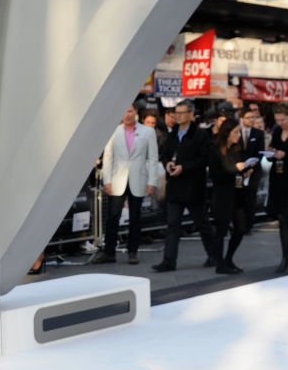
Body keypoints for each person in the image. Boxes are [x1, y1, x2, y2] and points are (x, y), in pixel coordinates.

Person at [92, 103, 158, 265]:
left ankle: (132, 252)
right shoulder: (114, 132)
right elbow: (108, 158)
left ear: (135, 112)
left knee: (135, 217)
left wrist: (152, 181)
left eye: (129, 111)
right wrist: (106, 180)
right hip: (117, 180)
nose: (127, 115)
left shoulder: (147, 132)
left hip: (139, 178)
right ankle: (109, 252)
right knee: (113, 217)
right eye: (123, 112)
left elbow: (153, 158)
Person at [153, 98, 215, 271]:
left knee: (201, 222)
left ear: (190, 114)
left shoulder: (200, 134)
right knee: (172, 224)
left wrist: (184, 167)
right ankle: (168, 261)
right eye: (176, 113)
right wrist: (167, 164)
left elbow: (204, 159)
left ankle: (214, 255)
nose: (178, 116)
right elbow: (165, 154)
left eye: (181, 113)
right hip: (174, 185)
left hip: (193, 186)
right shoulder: (172, 134)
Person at [209, 118, 253, 275]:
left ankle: (228, 259)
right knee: (221, 230)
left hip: (237, 194)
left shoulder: (236, 149)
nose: (238, 135)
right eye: (235, 132)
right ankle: (220, 263)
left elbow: (237, 168)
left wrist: (245, 170)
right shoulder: (215, 149)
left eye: (239, 132)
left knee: (240, 228)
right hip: (222, 195)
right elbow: (216, 174)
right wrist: (236, 168)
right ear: (227, 133)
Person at [267, 101, 288, 274]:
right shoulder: (278, 131)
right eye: (277, 120)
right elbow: (274, 149)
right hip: (278, 180)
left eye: (282, 120)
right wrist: (271, 152)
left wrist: (286, 155)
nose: (279, 123)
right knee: (282, 220)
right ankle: (285, 257)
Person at [239, 106, 265, 232]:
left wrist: (251, 167)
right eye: (248, 118)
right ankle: (239, 224)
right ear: (242, 119)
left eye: (253, 117)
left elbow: (260, 153)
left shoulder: (258, 133)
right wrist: (242, 169)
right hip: (239, 170)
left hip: (254, 170)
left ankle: (249, 225)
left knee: (250, 197)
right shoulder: (236, 132)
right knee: (239, 197)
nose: (251, 120)